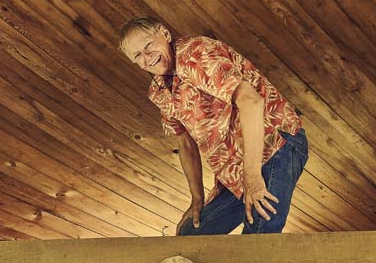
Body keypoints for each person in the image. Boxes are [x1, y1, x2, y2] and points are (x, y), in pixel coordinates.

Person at [118, 16, 308, 235]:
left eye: (148, 45)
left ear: (165, 34)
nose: (146, 58)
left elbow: (251, 101)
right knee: (191, 234)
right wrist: (196, 199)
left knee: (260, 231)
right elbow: (185, 142)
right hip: (236, 171)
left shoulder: (196, 53)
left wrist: (254, 177)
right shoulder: (160, 91)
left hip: (275, 143)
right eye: (137, 55)